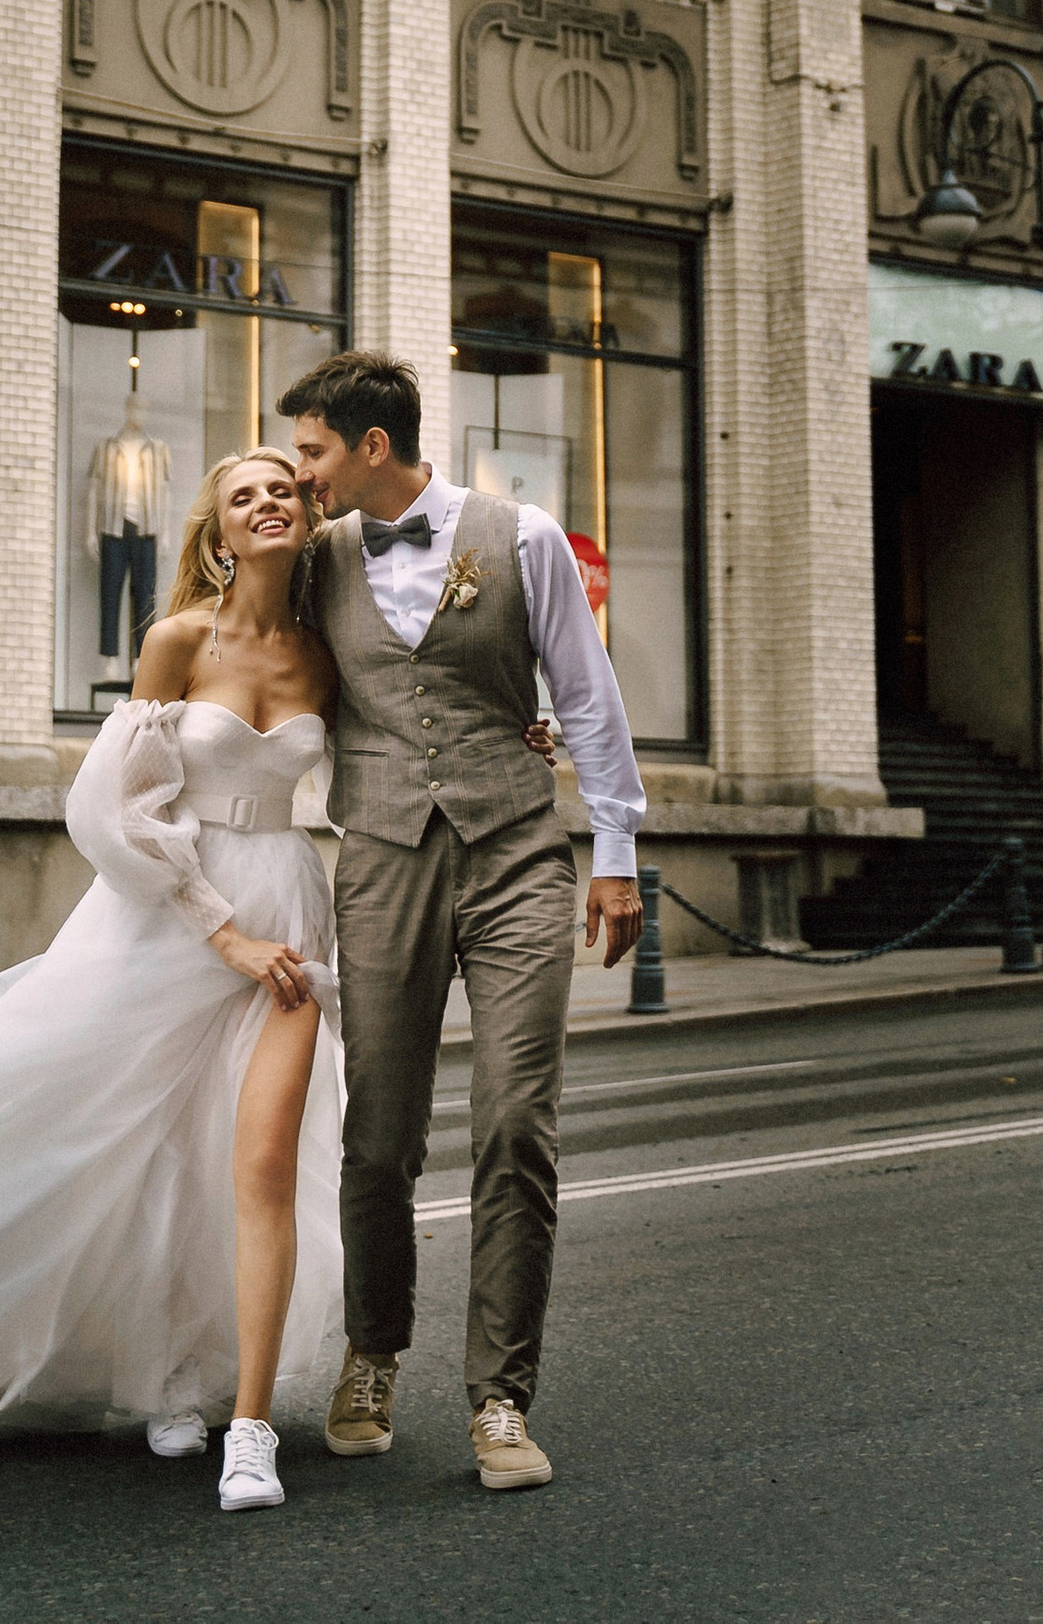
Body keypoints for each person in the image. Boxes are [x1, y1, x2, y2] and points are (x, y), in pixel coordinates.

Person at [0, 449, 342, 1511]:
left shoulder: (331, 650)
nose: (265, 502)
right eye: (243, 495)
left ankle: (246, 1424)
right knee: (140, 1150)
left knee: (257, 1165)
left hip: (289, 913)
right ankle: (161, 1378)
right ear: (217, 532)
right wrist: (218, 932)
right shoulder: (178, 638)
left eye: (281, 488)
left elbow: (396, 758)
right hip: (169, 916)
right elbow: (108, 809)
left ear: (304, 514)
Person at [284, 348, 646, 1495]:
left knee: (515, 1124)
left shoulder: (522, 535)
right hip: (383, 860)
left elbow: (585, 698)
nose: (302, 474)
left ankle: (500, 1396)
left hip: (516, 857)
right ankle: (371, 1352)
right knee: (378, 1133)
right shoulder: (315, 559)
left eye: (312, 451)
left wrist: (617, 855)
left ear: (371, 448)